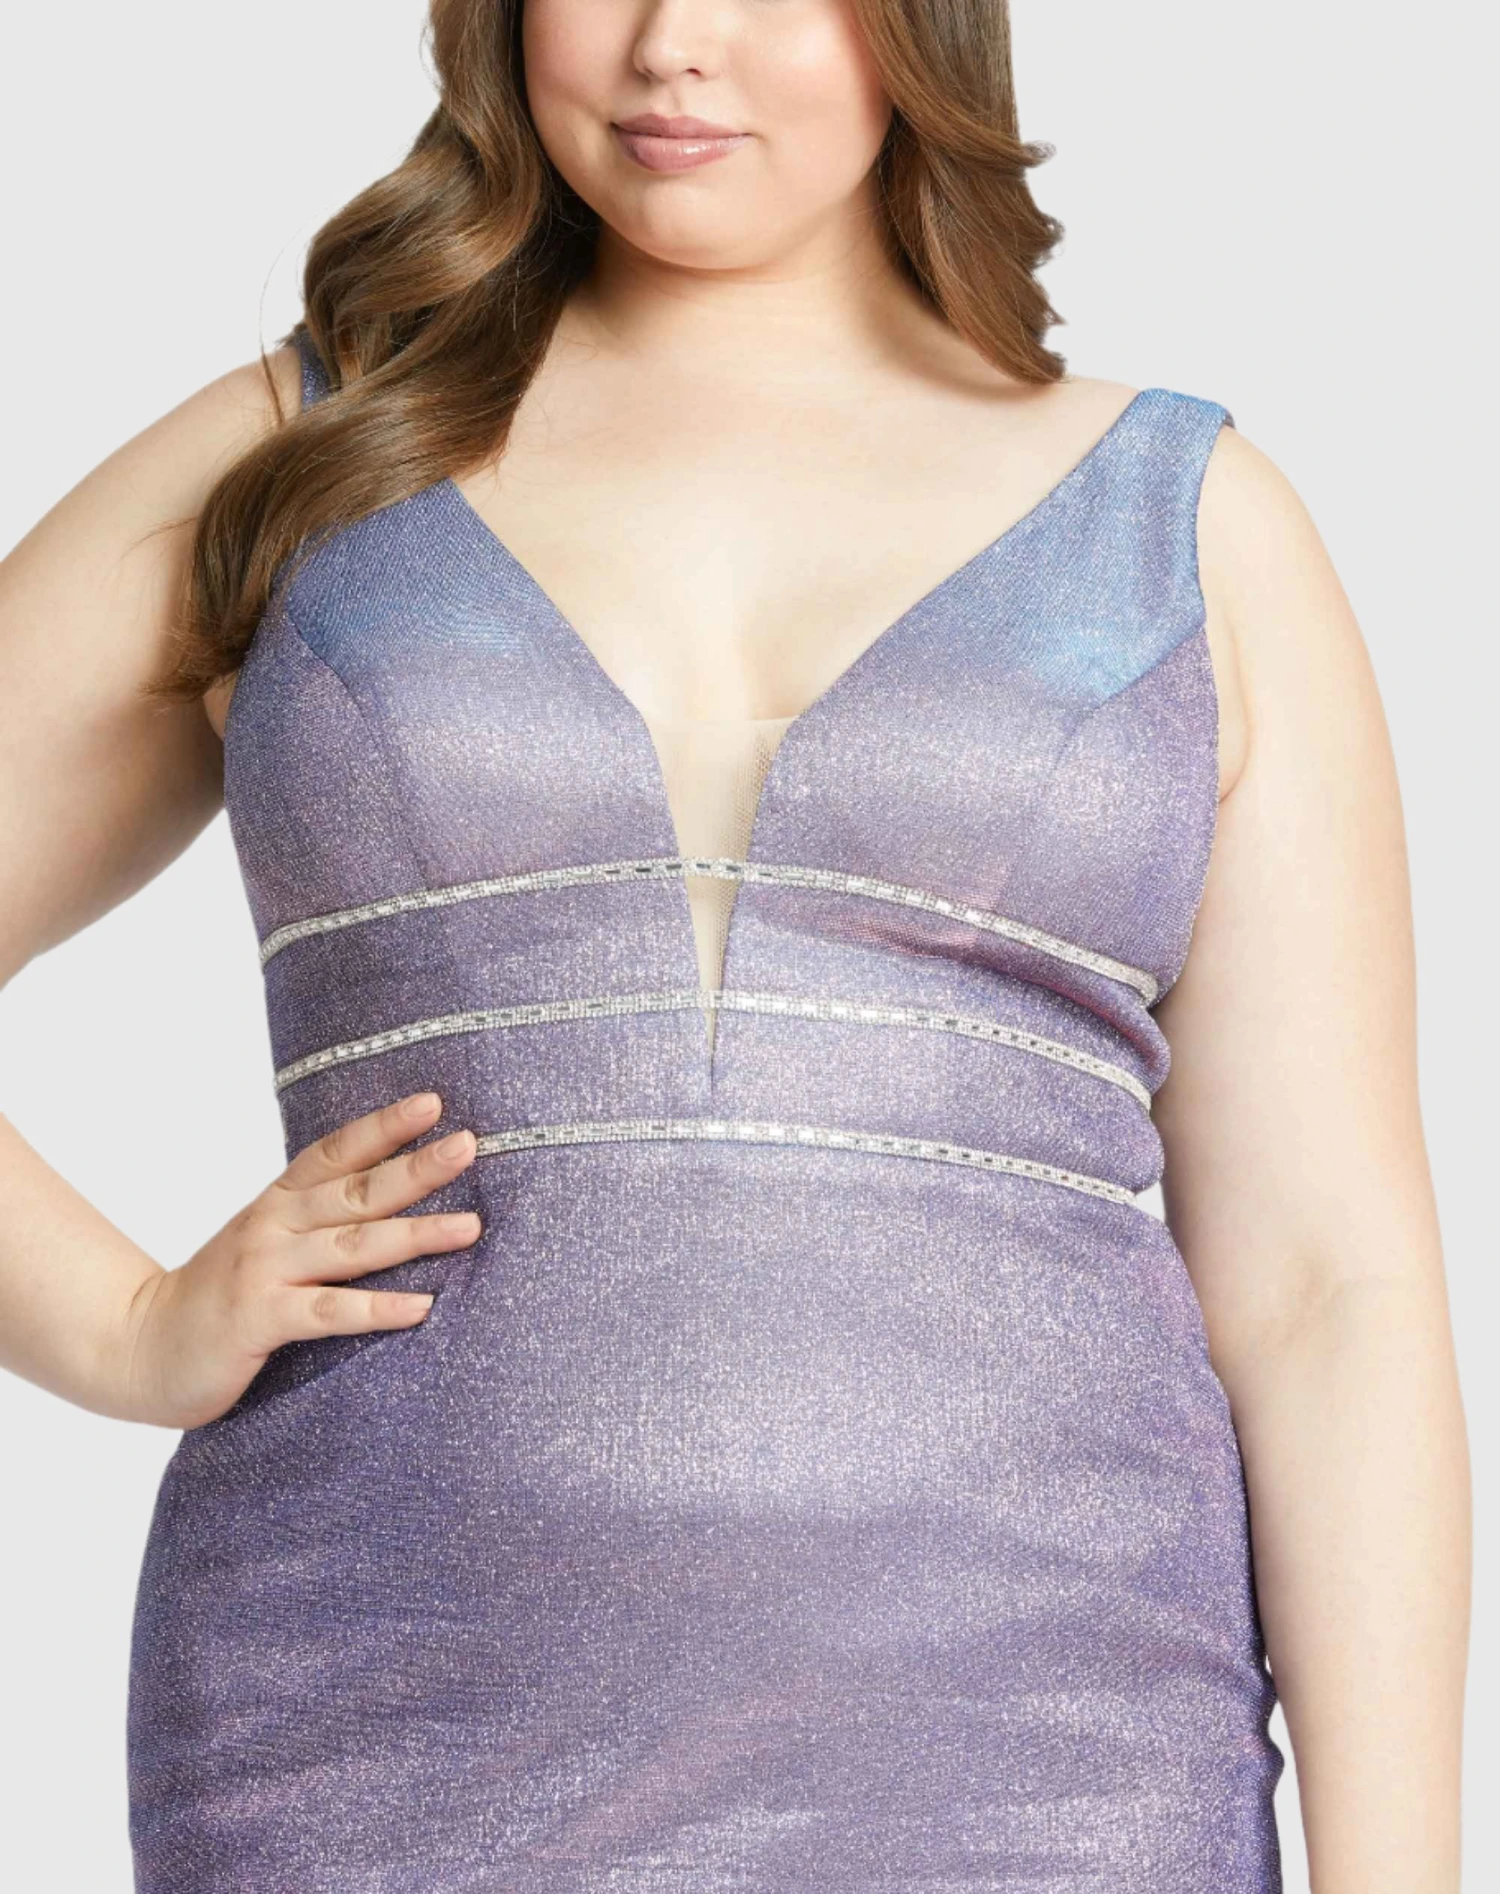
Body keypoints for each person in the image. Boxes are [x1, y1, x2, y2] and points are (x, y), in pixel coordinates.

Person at [0, 0, 1470, 1888]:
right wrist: (120, 1325)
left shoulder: (1188, 530)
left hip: (1063, 1760)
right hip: (375, 1728)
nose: (671, 42)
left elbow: (1332, 1288)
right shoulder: (309, 456)